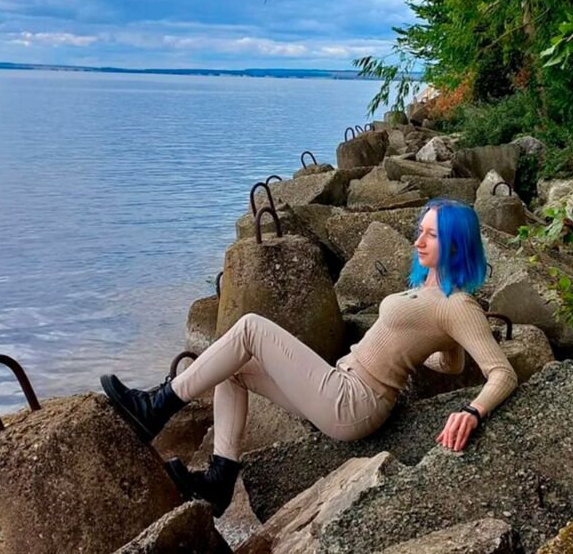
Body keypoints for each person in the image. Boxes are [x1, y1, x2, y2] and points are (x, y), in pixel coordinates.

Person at [100, 197, 518, 517]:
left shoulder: (458, 305)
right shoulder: (429, 291)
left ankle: (157, 406)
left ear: (457, 245)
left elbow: (502, 373)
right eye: (420, 231)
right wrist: (414, 354)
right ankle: (219, 479)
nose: (417, 241)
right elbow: (451, 363)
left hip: (354, 402)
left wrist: (472, 411)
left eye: (431, 235)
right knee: (233, 367)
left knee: (250, 327)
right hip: (342, 385)